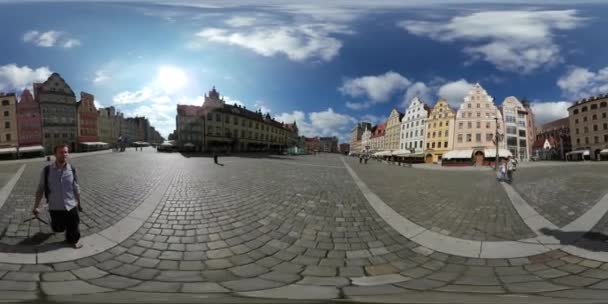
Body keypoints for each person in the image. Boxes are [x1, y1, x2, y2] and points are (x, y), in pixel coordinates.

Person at [32, 144, 83, 249]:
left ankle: (73, 240)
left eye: (65, 152)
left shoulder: (72, 169)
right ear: (55, 154)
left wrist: (79, 203)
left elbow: (76, 187)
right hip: (55, 207)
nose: (63, 154)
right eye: (61, 152)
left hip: (71, 205)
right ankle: (57, 227)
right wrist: (36, 206)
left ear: (68, 153)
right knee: (58, 228)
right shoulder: (47, 170)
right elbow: (40, 189)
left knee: (73, 226)